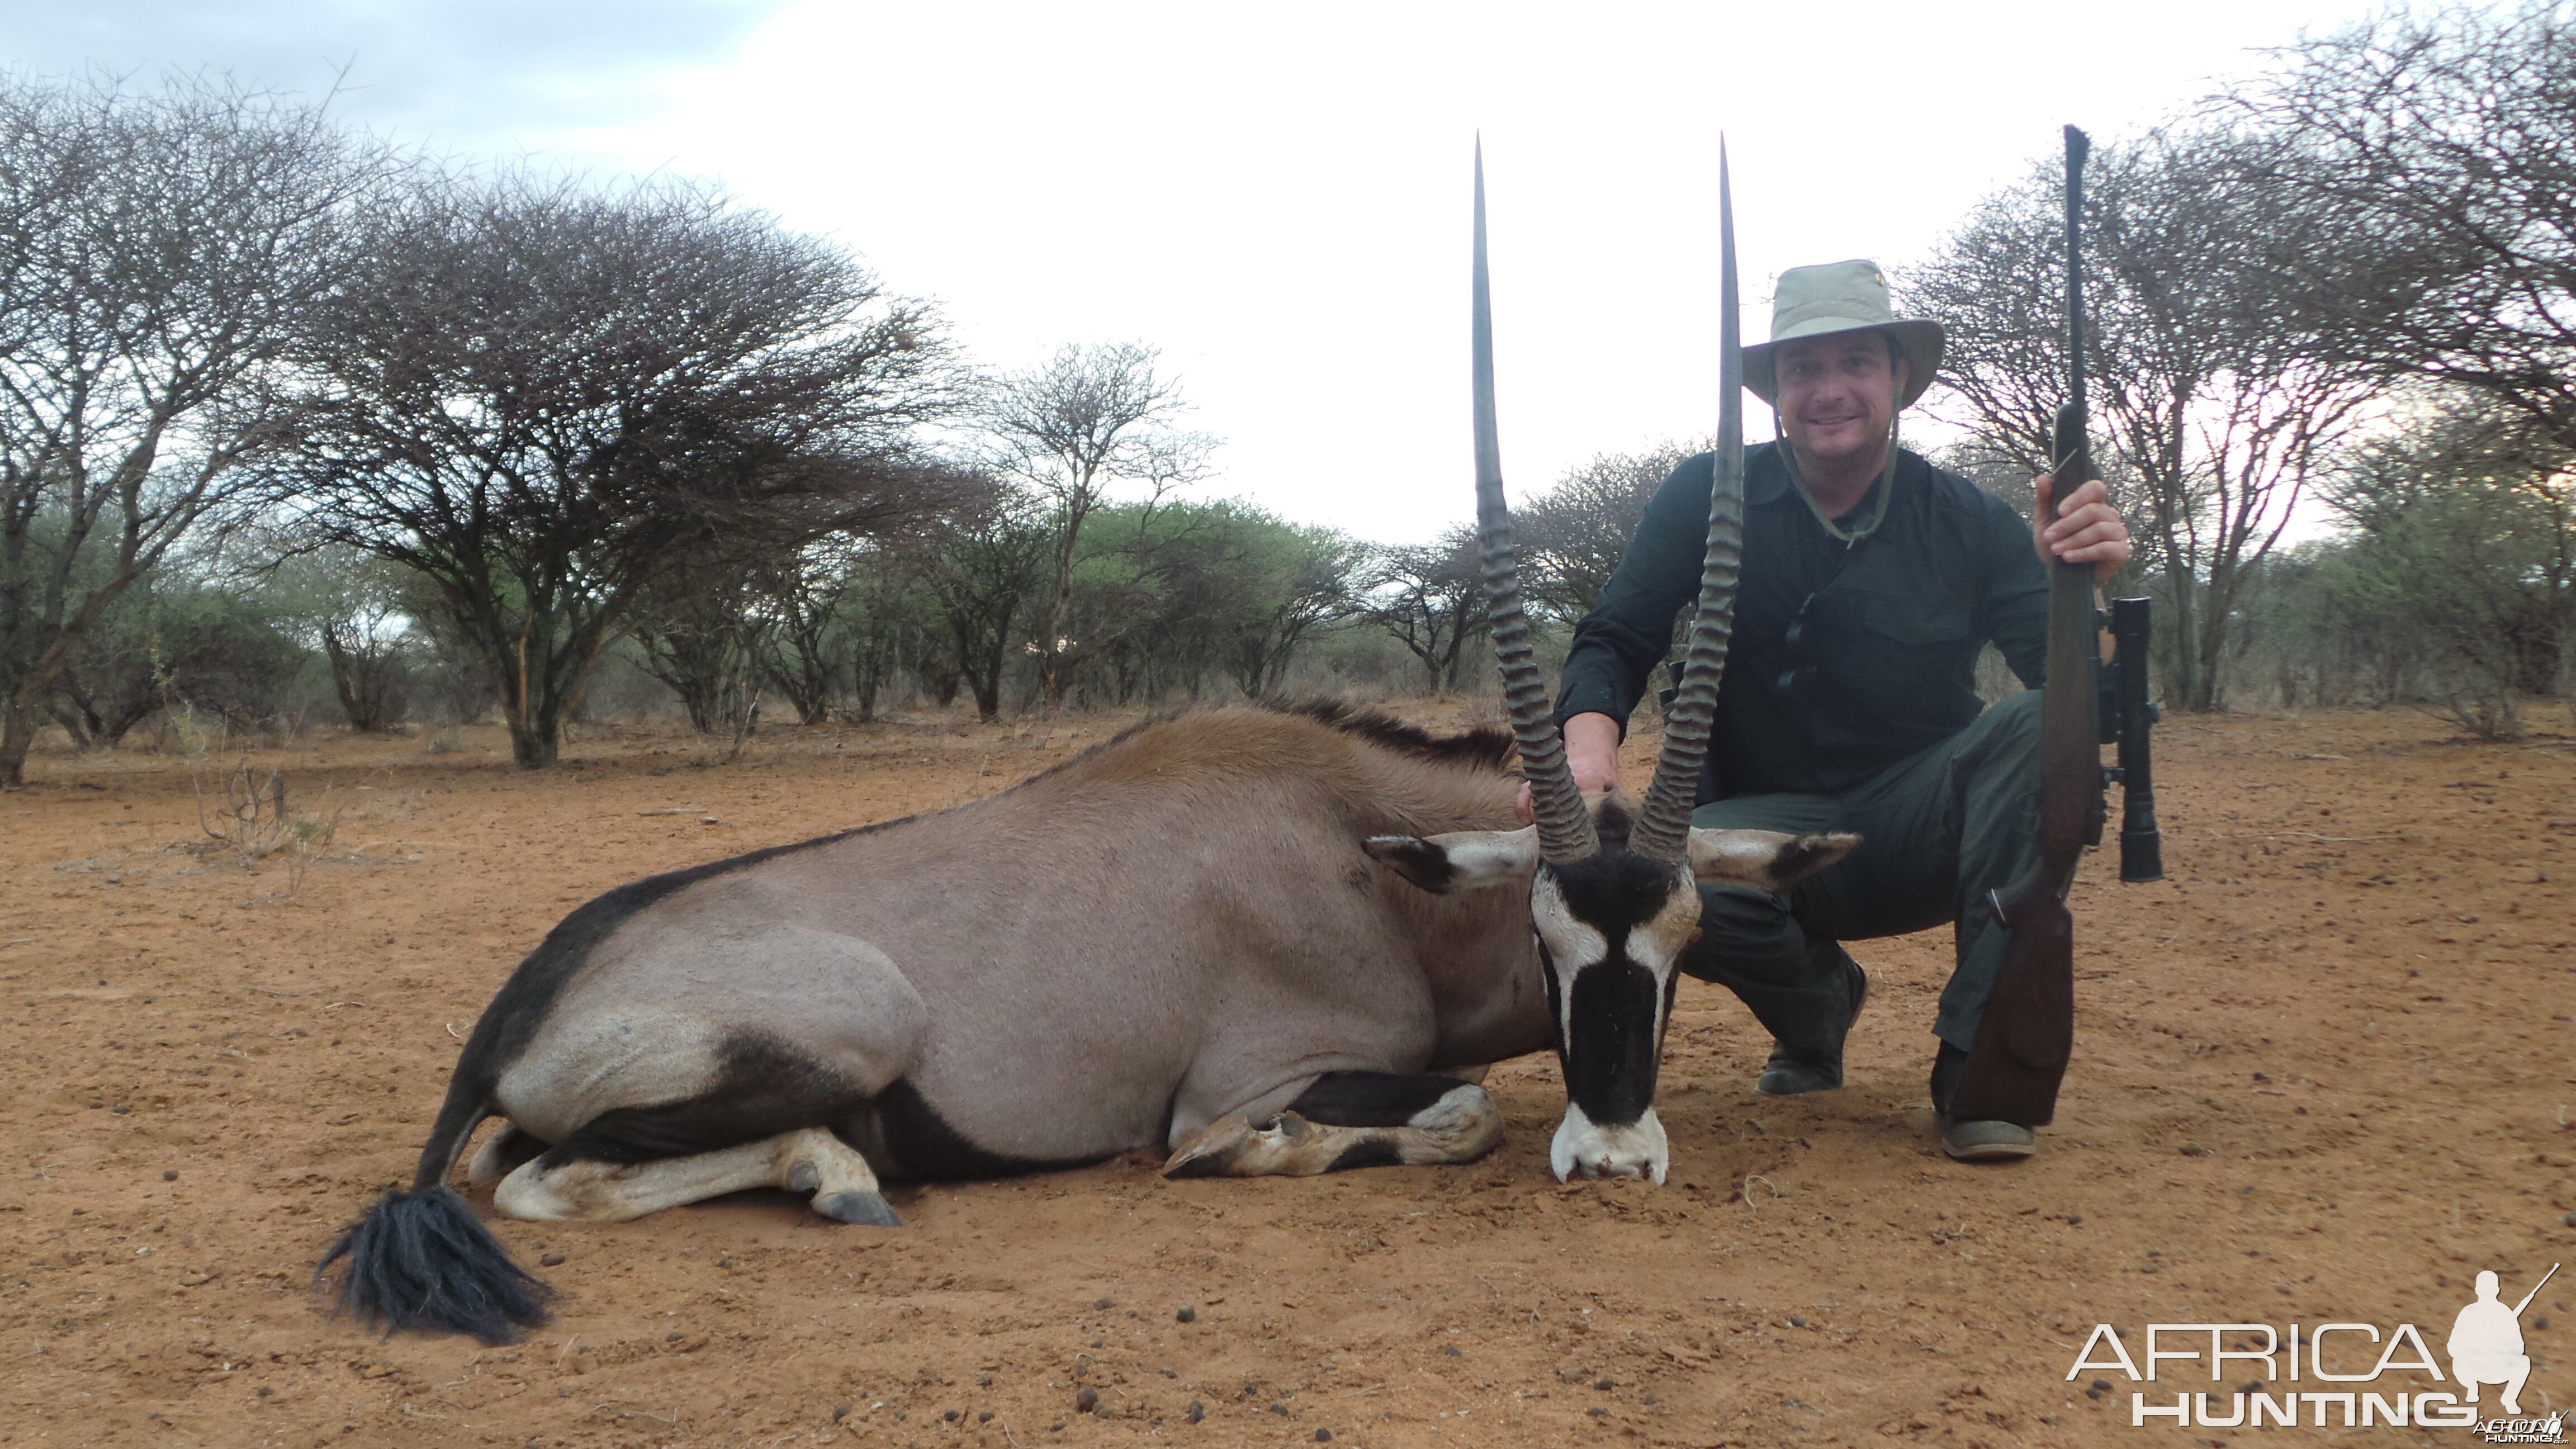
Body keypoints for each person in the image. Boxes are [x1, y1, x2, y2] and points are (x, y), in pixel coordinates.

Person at [1531, 259, 2132, 1162]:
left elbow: (2085, 705)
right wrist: (1584, 760)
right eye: (1803, 369)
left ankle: (1980, 1076)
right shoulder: (1704, 491)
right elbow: (1615, 637)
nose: (1830, 389)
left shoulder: (1971, 519)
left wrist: (2082, 590)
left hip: (1921, 828)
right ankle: (1818, 1009)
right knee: (1655, 872)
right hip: (1755, 839)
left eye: (1856, 362)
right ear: (1774, 388)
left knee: (2036, 724)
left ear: (1898, 380)